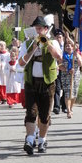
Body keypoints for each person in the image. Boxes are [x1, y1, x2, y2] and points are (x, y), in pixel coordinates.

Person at [18, 16, 62, 155]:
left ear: (45, 29)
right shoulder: (28, 43)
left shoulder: (53, 42)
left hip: (47, 83)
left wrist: (47, 44)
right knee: (31, 113)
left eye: (40, 29)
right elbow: (21, 62)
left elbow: (58, 57)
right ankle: (30, 140)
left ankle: (42, 140)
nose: (37, 31)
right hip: (32, 82)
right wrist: (33, 48)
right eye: (35, 28)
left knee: (44, 115)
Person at [59, 40, 82, 118]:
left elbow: (80, 64)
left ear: (73, 47)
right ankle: (68, 110)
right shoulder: (62, 56)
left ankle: (71, 107)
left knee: (74, 94)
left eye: (70, 46)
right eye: (67, 46)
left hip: (75, 76)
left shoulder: (76, 54)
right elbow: (59, 66)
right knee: (67, 93)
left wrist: (77, 57)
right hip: (66, 76)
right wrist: (67, 70)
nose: (68, 47)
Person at [52, 28, 66, 114]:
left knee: (65, 88)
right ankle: (56, 107)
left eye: (60, 37)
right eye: (57, 37)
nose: (58, 39)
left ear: (63, 38)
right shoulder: (53, 46)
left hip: (65, 69)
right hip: (56, 69)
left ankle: (64, 106)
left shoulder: (66, 45)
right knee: (57, 88)